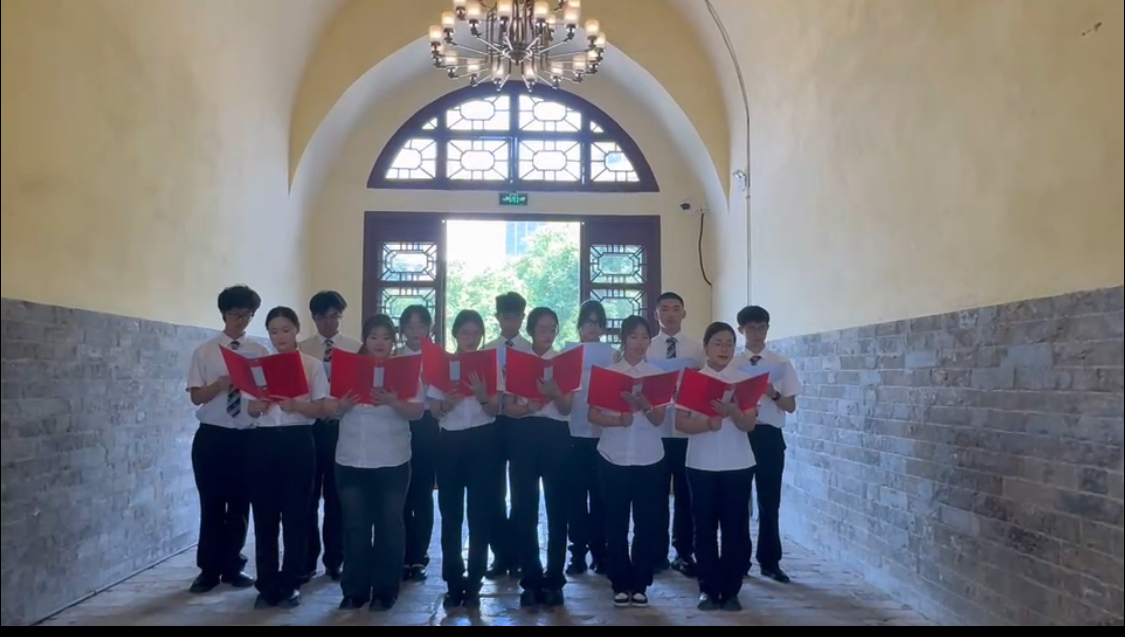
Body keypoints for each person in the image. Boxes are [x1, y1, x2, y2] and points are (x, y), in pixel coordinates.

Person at [330, 315, 425, 612]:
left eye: (386, 337)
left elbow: (417, 412)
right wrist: (342, 405)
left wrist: (394, 401)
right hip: (351, 459)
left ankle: (385, 591)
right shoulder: (347, 369)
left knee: (389, 526)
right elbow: (330, 409)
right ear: (365, 340)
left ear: (393, 341)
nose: (380, 342)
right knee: (355, 527)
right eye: (373, 337)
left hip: (392, 460)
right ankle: (354, 591)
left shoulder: (405, 371)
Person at [185, 284, 268, 594]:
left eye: (247, 315)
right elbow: (196, 397)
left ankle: (233, 565)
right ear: (223, 314)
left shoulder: (259, 352)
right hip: (213, 436)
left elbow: (266, 393)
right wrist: (221, 384)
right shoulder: (205, 351)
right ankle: (208, 570)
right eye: (235, 314)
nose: (241, 321)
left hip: (248, 437)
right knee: (212, 504)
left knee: (240, 505)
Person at [246, 307, 328, 609]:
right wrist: (257, 406)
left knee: (297, 515)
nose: (279, 336)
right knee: (264, 516)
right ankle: (267, 584)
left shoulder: (312, 365)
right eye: (273, 331)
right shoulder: (258, 367)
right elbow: (249, 409)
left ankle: (292, 582)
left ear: (296, 329)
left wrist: (297, 405)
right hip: (263, 441)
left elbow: (321, 408)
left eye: (285, 330)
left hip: (298, 440)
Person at [676, 321, 759, 612]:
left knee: (735, 528)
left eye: (729, 343)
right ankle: (708, 590)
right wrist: (707, 424)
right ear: (706, 347)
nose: (724, 349)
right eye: (718, 343)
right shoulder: (693, 380)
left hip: (738, 463)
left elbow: (749, 424)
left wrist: (734, 411)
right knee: (704, 528)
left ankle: (731, 590)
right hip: (701, 463)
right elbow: (680, 422)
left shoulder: (744, 381)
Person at [586, 316, 668, 609]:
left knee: (646, 524)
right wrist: (617, 421)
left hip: (650, 458)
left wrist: (646, 405)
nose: (640, 343)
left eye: (645, 337)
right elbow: (593, 415)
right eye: (634, 336)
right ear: (623, 339)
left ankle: (641, 583)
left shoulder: (657, 376)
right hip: (613, 456)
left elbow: (659, 419)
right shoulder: (608, 374)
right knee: (615, 523)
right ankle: (620, 583)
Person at [428, 310, 502, 610]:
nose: (470, 339)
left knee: (480, 513)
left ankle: (474, 581)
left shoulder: (490, 364)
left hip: (484, 442)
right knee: (451, 514)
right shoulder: (443, 366)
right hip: (450, 443)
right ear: (455, 334)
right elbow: (434, 411)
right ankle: (453, 580)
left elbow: (495, 409)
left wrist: (482, 395)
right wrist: (448, 402)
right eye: (465, 333)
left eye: (476, 333)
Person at [504, 307, 577, 609]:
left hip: (556, 436)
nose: (548, 334)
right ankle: (530, 580)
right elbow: (508, 407)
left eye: (552, 329)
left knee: (558, 509)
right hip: (524, 435)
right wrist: (528, 407)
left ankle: (555, 580)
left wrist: (555, 392)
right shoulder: (517, 360)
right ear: (531, 330)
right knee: (524, 509)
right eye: (543, 329)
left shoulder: (565, 362)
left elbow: (567, 408)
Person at [735, 305, 801, 584]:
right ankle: (739, 560)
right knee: (738, 502)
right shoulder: (733, 364)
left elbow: (791, 406)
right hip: (740, 434)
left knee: (769, 501)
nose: (756, 333)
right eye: (751, 328)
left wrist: (772, 393)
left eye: (761, 327)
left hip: (770, 436)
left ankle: (770, 561)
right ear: (741, 330)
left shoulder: (780, 363)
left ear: (767, 329)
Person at [298, 290, 361, 583]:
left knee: (338, 496)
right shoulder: (302, 349)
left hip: (342, 426)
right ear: (313, 318)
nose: (329, 322)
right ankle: (307, 559)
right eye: (322, 317)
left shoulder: (356, 349)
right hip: (310, 427)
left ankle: (335, 559)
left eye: (334, 316)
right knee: (308, 496)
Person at [645, 292, 705, 576]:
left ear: (684, 313)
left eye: (676, 309)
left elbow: (706, 383)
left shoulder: (697, 348)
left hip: (685, 431)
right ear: (656, 314)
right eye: (664, 309)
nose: (670, 314)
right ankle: (656, 553)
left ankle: (684, 553)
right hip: (655, 430)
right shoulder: (647, 347)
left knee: (685, 495)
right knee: (655, 495)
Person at [482, 292, 531, 580]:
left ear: (523, 318)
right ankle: (501, 554)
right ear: (498, 317)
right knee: (494, 491)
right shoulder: (487, 350)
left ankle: (522, 554)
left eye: (516, 317)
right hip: (492, 423)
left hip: (522, 423)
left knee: (522, 491)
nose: (511, 322)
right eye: (506, 317)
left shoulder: (530, 351)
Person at [565, 301, 609, 577]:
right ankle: (577, 553)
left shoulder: (612, 355)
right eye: (587, 321)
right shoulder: (567, 353)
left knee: (601, 497)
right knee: (576, 498)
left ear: (603, 327)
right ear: (579, 325)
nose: (592, 327)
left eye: (597, 322)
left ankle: (600, 552)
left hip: (603, 434)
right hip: (573, 432)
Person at [397, 305, 439, 582]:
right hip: (399, 424)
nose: (415, 331)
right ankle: (401, 555)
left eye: (421, 326)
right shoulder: (394, 357)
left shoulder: (438, 358)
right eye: (410, 326)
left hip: (426, 425)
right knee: (401, 493)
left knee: (423, 492)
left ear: (429, 329)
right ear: (402, 330)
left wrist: (428, 382)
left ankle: (419, 557)